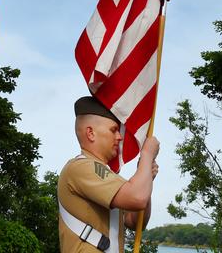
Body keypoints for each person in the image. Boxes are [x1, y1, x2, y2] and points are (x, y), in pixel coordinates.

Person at [58, 96, 160, 252]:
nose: (119, 137)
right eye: (113, 130)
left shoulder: (105, 175)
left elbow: (135, 221)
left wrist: (148, 178)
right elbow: (137, 198)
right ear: (91, 133)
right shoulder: (82, 167)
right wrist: (146, 154)